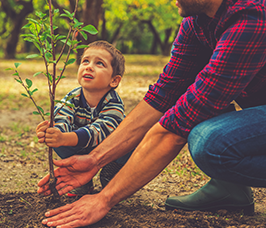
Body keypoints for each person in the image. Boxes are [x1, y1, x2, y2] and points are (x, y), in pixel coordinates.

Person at [36, 0, 266, 227]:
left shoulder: (251, 17)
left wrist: (104, 199)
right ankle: (229, 188)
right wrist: (95, 159)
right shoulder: (196, 21)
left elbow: (178, 125)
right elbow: (163, 95)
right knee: (199, 103)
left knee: (210, 142)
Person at [36, 40, 132, 197]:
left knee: (130, 144)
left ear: (114, 80)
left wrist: (66, 137)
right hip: (81, 146)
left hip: (110, 150)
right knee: (59, 141)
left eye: (99, 63)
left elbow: (100, 131)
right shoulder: (73, 96)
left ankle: (114, 172)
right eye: (85, 61)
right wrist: (54, 133)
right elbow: (61, 116)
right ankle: (82, 180)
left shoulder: (114, 103)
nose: (89, 66)